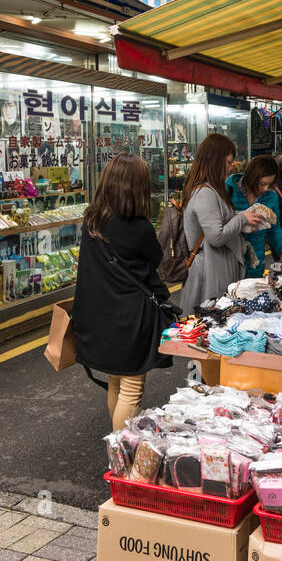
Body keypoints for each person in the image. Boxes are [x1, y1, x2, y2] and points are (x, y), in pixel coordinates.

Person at [72, 153, 173, 430]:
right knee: (131, 389)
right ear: (136, 187)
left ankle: (117, 447)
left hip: (98, 313)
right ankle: (122, 455)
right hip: (129, 319)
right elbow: (155, 259)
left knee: (116, 380)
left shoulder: (93, 219)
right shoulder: (138, 228)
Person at [180, 134, 263, 315]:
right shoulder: (205, 193)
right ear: (215, 161)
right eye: (228, 162)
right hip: (210, 274)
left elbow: (220, 221)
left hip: (215, 269)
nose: (231, 167)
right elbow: (216, 237)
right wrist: (242, 219)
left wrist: (243, 218)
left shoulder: (212, 190)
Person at [226, 154, 282, 277]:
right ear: (251, 177)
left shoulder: (271, 196)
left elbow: (274, 229)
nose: (265, 189)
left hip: (256, 263)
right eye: (262, 184)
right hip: (229, 262)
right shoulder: (228, 190)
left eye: (270, 184)